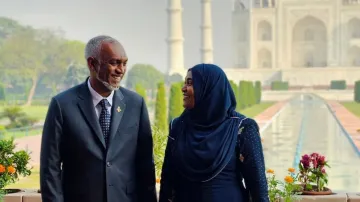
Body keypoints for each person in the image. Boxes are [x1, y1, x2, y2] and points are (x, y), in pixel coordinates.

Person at [40, 35, 157, 202]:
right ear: (92, 63)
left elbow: (145, 165)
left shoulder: (135, 104)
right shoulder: (62, 105)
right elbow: (50, 169)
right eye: (114, 62)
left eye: (124, 63)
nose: (121, 70)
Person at [159, 64, 269, 202]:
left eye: (190, 83)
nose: (183, 88)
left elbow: (257, 185)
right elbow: (168, 179)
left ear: (208, 89)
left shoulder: (242, 128)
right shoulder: (178, 126)